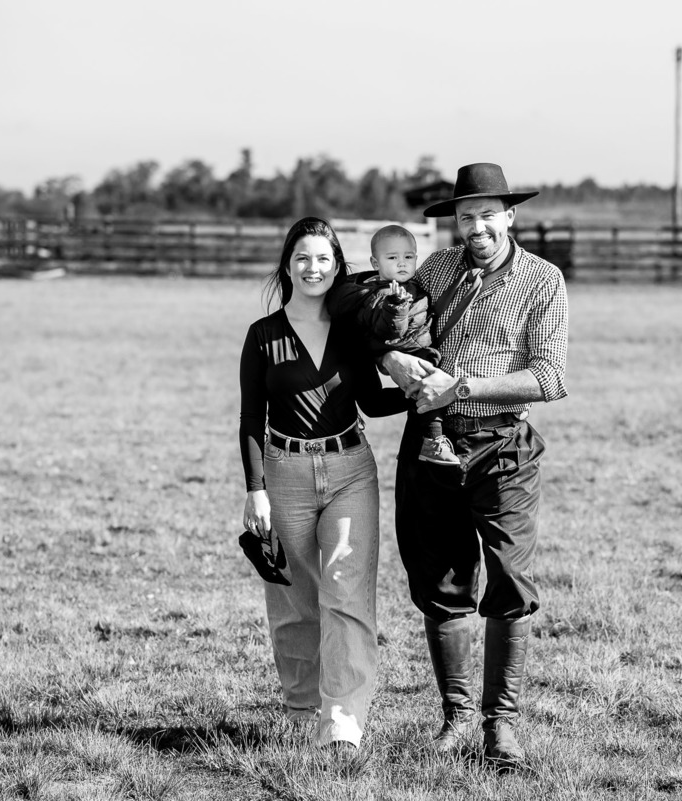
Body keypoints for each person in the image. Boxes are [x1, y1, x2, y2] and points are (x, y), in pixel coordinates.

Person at [380, 163, 569, 767]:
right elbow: (391, 326)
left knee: (510, 581)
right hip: (430, 445)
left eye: (488, 215)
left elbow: (550, 376)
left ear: (510, 217)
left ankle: (501, 724)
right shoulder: (435, 268)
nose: (477, 226)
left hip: (501, 448)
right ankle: (457, 718)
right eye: (466, 217)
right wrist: (391, 356)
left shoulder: (543, 280)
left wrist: (462, 387)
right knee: (441, 582)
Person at [238, 217, 407, 749]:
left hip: (350, 469)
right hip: (283, 471)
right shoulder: (262, 336)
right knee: (294, 600)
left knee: (346, 593)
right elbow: (250, 419)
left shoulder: (353, 331)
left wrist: (423, 388)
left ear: (338, 266)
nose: (314, 268)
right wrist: (255, 489)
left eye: (324, 259)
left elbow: (373, 402)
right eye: (303, 259)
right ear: (288, 266)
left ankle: (342, 719)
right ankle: (299, 708)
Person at [327, 224, 458, 466]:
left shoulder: (410, 286)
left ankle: (420, 440)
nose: (402, 263)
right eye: (393, 257)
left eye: (408, 257)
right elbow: (388, 329)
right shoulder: (381, 293)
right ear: (375, 263)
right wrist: (396, 306)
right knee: (428, 385)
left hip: (410, 345)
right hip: (403, 347)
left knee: (388, 400)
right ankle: (433, 441)